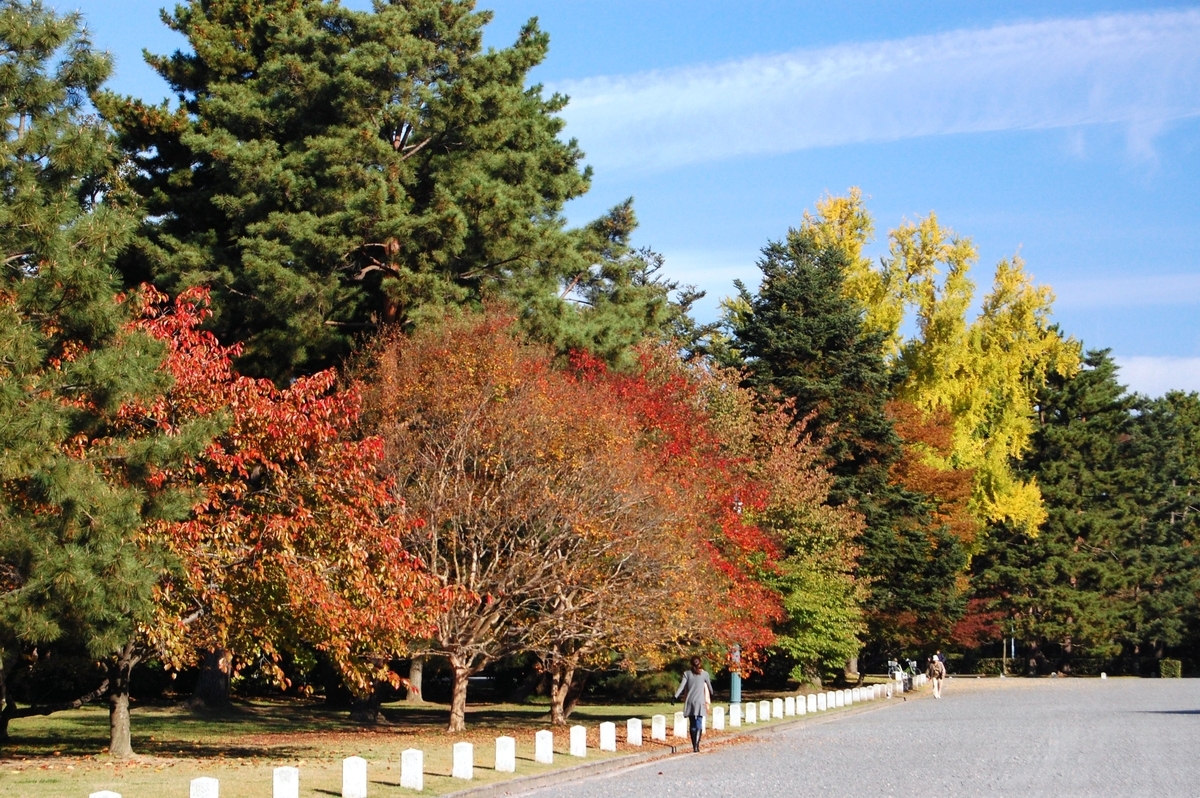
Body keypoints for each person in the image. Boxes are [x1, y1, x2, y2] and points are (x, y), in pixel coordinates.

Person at [674, 656, 713, 752]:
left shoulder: (686, 674)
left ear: (691, 663)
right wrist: (712, 694)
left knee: (692, 724)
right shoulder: (705, 674)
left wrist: (675, 697)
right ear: (700, 663)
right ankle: (697, 746)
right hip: (700, 702)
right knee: (698, 723)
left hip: (690, 702)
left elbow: (681, 687)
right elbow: (710, 687)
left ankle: (693, 745)